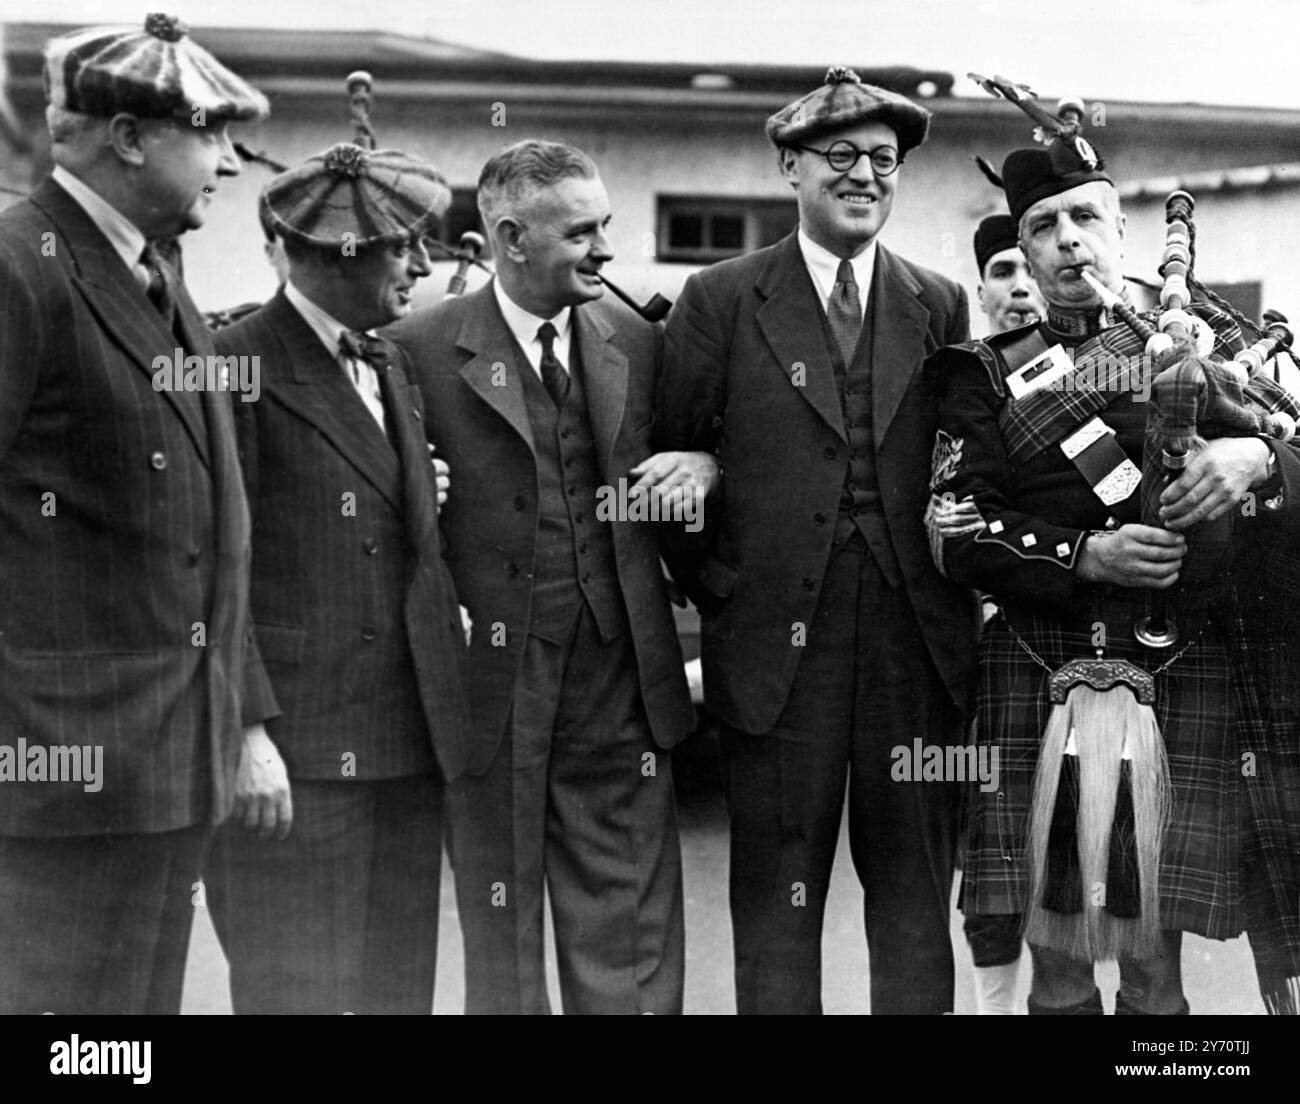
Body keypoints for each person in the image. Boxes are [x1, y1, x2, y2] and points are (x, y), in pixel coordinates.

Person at [926, 126, 1300, 1014]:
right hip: (1042, 674)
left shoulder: (1201, 352)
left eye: (1087, 218)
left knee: (1154, 964)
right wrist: (1086, 553)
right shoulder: (980, 375)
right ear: (1022, 249)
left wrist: (1254, 459)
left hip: (1180, 676)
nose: (1068, 241)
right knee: (1056, 960)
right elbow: (951, 529)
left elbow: (1291, 468)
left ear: (1121, 234)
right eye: (1046, 225)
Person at [657, 67, 977, 1014]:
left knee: (916, 897)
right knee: (776, 902)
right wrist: (724, 589)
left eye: (884, 160)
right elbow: (675, 458)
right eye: (840, 157)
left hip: (912, 648)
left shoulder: (939, 301)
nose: (865, 176)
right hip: (775, 649)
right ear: (790, 166)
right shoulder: (719, 297)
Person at [384, 139, 705, 1014]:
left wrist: (703, 466)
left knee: (631, 914)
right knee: (502, 911)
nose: (605, 248)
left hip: (618, 672)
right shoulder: (410, 350)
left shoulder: (636, 337)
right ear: (512, 237)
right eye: (582, 232)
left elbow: (697, 465)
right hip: (489, 679)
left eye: (605, 226)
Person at [0, 15, 275, 1014]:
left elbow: (204, 519)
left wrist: (238, 717)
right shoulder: (18, 263)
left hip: (163, 766)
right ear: (126, 137)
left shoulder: (154, 275)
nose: (229, 162)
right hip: (57, 774)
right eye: (208, 132)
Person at [204, 144, 471, 1013]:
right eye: (406, 248)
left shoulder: (391, 362)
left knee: (397, 994)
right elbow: (208, 564)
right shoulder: (233, 366)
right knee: (295, 994)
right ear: (341, 255)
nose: (426, 267)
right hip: (297, 755)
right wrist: (246, 735)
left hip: (405, 742)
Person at [962, 213, 1045, 1014]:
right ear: (981, 286)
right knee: (993, 852)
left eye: (1030, 268)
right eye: (1002, 270)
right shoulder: (960, 376)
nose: (1019, 286)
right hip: (990, 647)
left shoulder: (1098, 374)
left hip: (1093, 641)